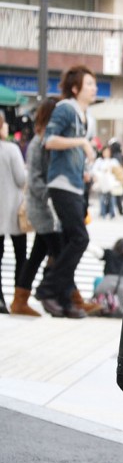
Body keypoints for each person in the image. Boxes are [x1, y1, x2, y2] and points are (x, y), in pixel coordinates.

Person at [34, 65, 97, 318]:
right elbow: (48, 141)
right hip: (60, 184)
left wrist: (84, 169)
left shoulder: (85, 116)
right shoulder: (65, 109)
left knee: (71, 241)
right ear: (75, 88)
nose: (94, 88)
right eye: (89, 83)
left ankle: (64, 299)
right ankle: (47, 289)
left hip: (75, 184)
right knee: (80, 239)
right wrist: (81, 143)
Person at [0, 111, 27, 314]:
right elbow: (21, 178)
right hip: (13, 211)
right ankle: (19, 299)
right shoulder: (11, 149)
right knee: (20, 256)